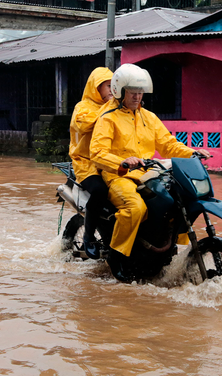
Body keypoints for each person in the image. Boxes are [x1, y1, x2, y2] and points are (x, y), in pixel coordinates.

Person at [89, 63, 211, 263]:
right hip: (120, 175)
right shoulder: (107, 118)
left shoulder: (149, 117)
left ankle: (166, 248)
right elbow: (97, 153)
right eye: (132, 92)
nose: (137, 97)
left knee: (179, 199)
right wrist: (123, 161)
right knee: (135, 208)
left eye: (140, 92)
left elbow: (168, 144)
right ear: (120, 91)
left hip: (150, 173)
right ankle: (117, 256)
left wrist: (192, 152)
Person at [69, 67, 114, 259]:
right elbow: (83, 125)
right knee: (100, 191)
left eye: (115, 86)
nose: (112, 90)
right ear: (96, 88)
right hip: (86, 163)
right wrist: (109, 107)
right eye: (108, 86)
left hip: (110, 161)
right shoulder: (83, 107)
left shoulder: (117, 108)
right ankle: (88, 236)